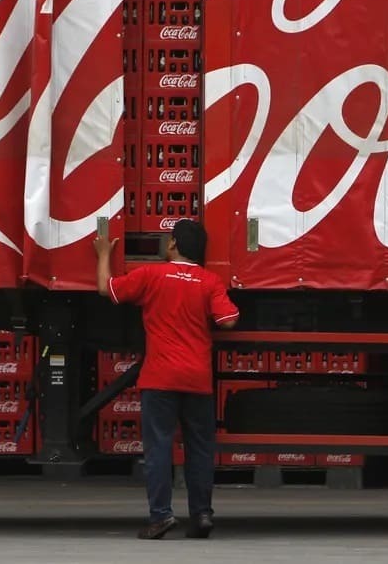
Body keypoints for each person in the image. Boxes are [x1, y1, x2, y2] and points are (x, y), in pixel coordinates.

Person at [94, 219, 239, 540]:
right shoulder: (209, 281)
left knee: (158, 449)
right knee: (200, 450)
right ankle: (201, 515)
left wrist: (103, 253)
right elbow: (228, 321)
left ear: (173, 244)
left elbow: (108, 289)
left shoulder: (151, 275)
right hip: (197, 379)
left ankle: (161, 517)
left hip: (159, 378)